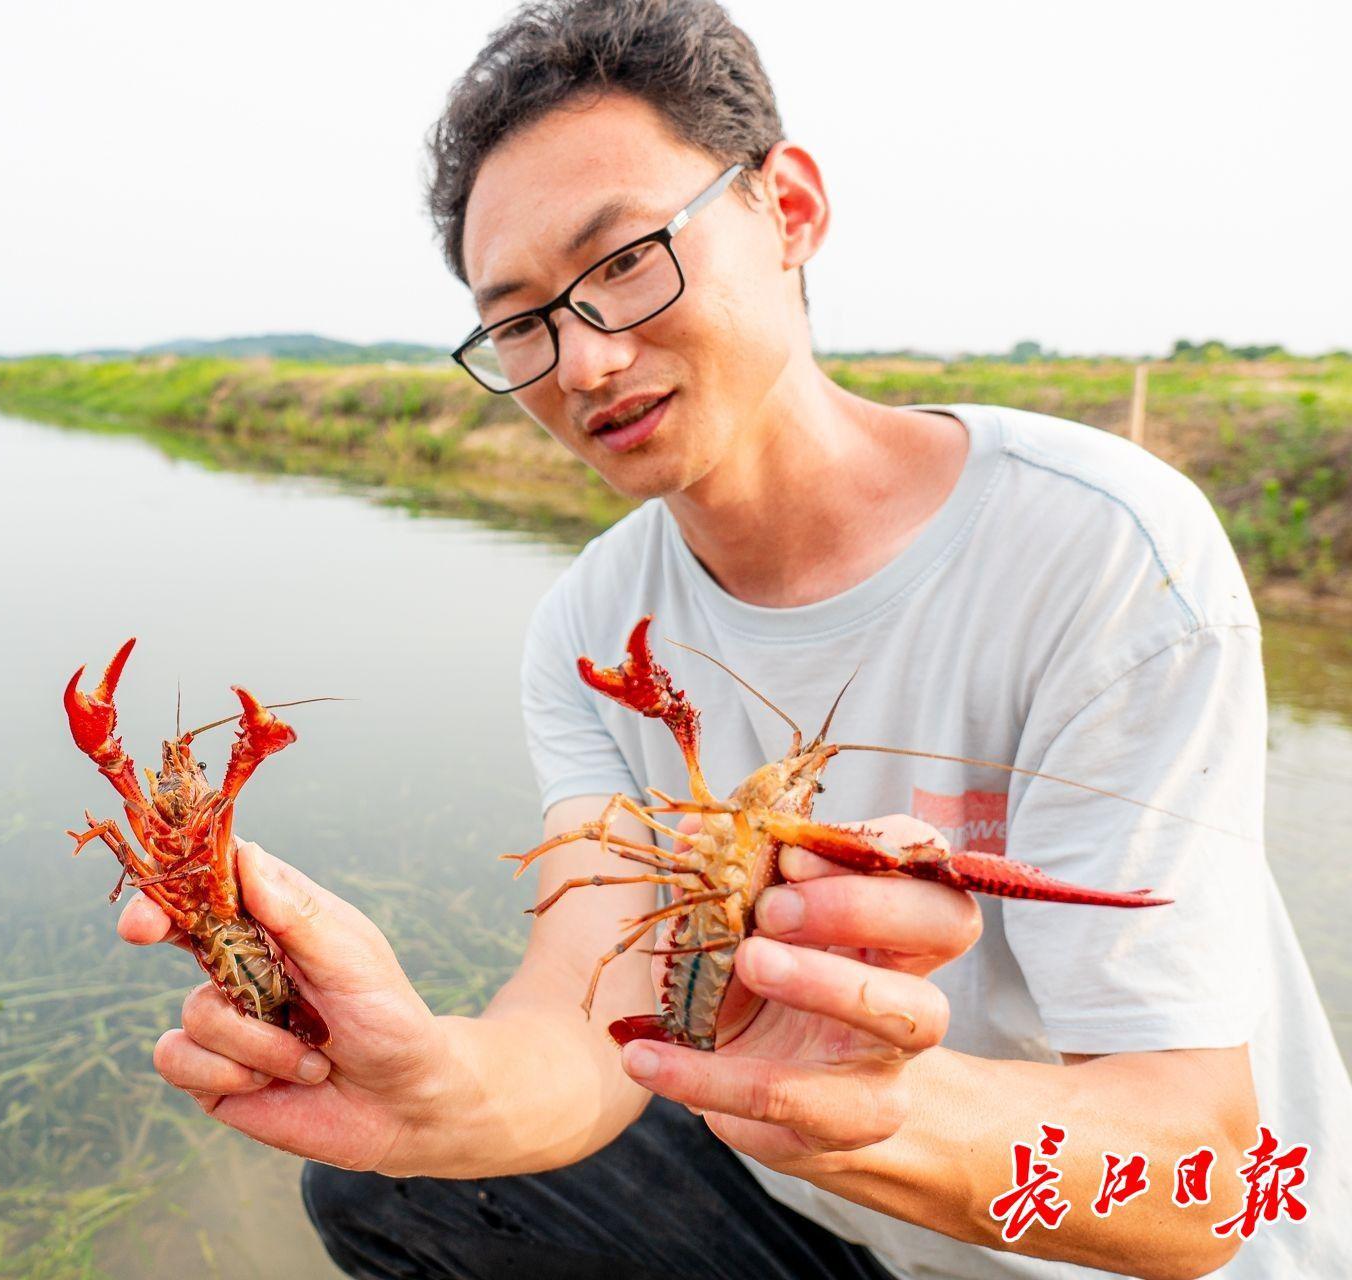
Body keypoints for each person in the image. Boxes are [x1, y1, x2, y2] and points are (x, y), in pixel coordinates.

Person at [115, 2, 1351, 1276]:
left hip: (1112, 1244)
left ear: (790, 209)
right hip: (822, 1203)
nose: (583, 362)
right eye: (522, 320)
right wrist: (435, 1082)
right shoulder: (596, 623)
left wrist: (878, 1104)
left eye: (627, 260)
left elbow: (1194, 1191)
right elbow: (589, 1015)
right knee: (399, 1190)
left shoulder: (1103, 549)